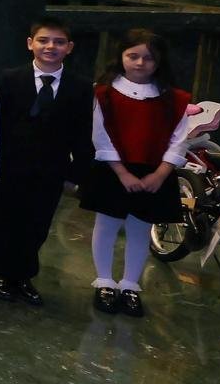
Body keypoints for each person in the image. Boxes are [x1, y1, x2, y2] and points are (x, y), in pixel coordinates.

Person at [82, 29, 198, 318]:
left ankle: (130, 285)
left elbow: (180, 139)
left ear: (159, 61)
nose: (140, 63)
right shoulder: (104, 93)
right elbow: (99, 135)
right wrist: (122, 172)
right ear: (120, 56)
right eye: (132, 55)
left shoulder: (174, 99)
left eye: (148, 58)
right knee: (107, 225)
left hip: (154, 172)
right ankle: (105, 281)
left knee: (140, 229)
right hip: (114, 169)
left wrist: (160, 174)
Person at [0, 17, 94, 305]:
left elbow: (83, 132)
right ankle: (0, 272)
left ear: (69, 47)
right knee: (4, 220)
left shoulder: (81, 86)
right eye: (43, 40)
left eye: (59, 42)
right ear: (30, 43)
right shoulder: (10, 79)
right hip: (10, 166)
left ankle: (24, 274)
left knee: (38, 223)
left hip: (51, 169)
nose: (50, 46)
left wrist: (76, 174)